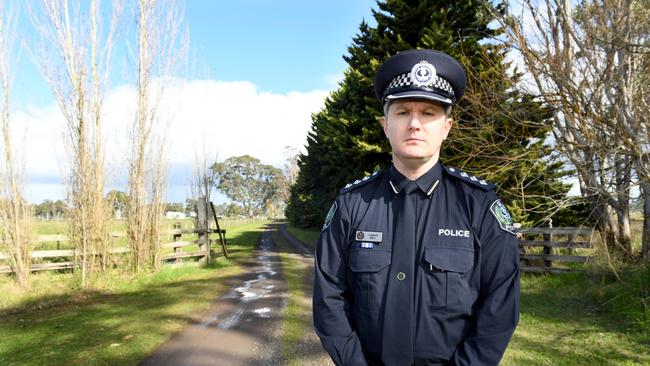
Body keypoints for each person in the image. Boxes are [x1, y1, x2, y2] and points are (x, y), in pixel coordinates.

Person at [312, 49, 520, 366]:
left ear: (446, 127)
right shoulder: (351, 205)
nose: (414, 124)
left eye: (428, 113)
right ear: (385, 124)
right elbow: (328, 297)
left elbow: (500, 305)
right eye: (402, 112)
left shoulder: (479, 206)